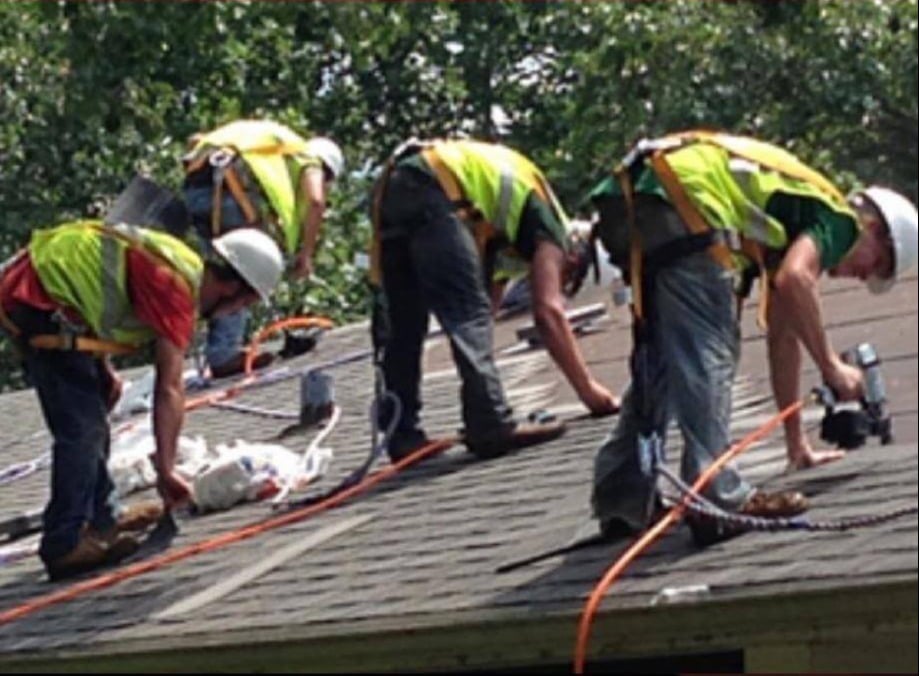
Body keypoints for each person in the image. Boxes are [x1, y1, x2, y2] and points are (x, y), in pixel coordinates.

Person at [587, 130, 918, 543]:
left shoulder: (783, 225)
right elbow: (796, 279)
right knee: (710, 352)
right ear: (874, 228)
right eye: (878, 264)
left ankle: (623, 499)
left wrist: (797, 445)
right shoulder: (838, 219)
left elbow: (783, 337)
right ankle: (717, 499)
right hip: (686, 196)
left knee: (662, 364)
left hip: (632, 196)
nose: (864, 275)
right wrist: (833, 367)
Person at [0, 221, 284, 579]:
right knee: (82, 430)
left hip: (50, 297)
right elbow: (169, 388)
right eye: (243, 304)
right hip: (35, 300)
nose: (234, 314)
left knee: (95, 405)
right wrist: (165, 470)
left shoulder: (179, 264)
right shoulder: (176, 289)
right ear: (231, 288)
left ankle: (104, 517)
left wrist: (103, 368)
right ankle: (64, 543)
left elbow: (96, 289)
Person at [370, 138, 619, 462]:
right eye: (569, 277)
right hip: (435, 189)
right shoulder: (552, 226)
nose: (561, 279)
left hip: (393, 190)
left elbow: (488, 304)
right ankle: (490, 423)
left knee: (406, 324)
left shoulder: (501, 234)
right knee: (466, 317)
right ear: (577, 255)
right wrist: (591, 394)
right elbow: (548, 313)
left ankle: (402, 437)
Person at [182, 119, 344, 376]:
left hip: (197, 186)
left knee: (216, 276)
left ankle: (196, 343)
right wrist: (306, 254)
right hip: (228, 191)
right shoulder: (308, 159)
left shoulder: (276, 148)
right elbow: (315, 202)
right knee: (246, 270)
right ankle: (223, 354)